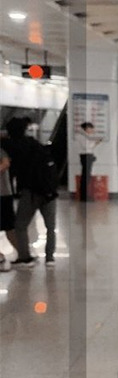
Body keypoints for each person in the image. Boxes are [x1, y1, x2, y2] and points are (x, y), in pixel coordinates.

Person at [3, 116, 58, 267]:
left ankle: (24, 257)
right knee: (50, 227)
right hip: (49, 191)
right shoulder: (35, 144)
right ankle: (50, 258)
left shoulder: (11, 145)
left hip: (31, 192)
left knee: (20, 225)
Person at [0, 143, 18, 271]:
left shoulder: (1, 151)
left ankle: (21, 253)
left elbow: (6, 163)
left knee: (9, 226)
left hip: (4, 194)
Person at [76, 121, 101, 202]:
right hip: (85, 156)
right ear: (87, 128)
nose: (92, 130)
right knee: (86, 176)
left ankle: (85, 195)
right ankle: (84, 196)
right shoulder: (81, 136)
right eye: (91, 129)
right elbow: (86, 146)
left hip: (88, 156)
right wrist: (96, 143)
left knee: (87, 176)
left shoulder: (85, 136)